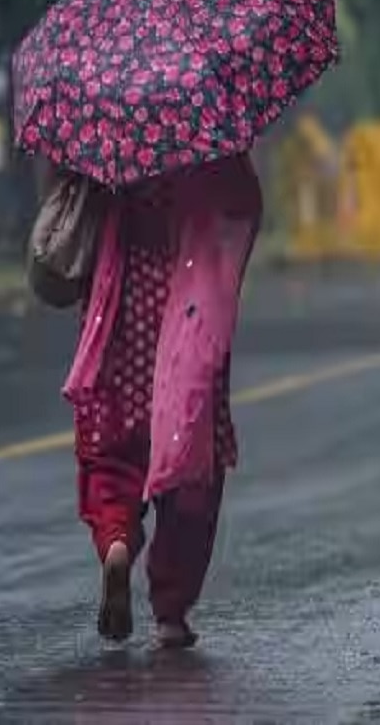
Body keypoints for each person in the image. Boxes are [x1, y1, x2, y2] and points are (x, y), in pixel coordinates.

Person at [47, 152, 263, 647]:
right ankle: (170, 609)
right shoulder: (209, 140)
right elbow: (245, 204)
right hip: (187, 314)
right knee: (190, 461)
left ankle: (117, 541)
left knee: (111, 453)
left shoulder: (106, 135)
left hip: (119, 311)